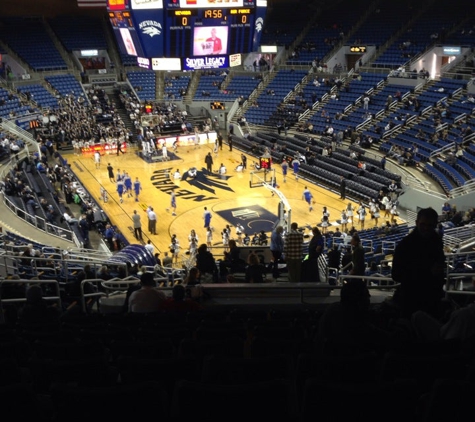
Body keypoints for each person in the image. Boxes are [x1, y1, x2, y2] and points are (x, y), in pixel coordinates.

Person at [391, 207, 445, 318]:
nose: (426, 228)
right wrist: (427, 272)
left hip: (432, 297)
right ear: (416, 223)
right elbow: (396, 274)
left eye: (429, 225)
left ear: (435, 224)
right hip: (412, 298)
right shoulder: (405, 245)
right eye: (423, 225)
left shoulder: (436, 241)